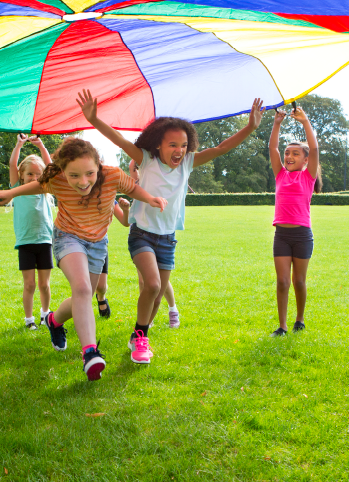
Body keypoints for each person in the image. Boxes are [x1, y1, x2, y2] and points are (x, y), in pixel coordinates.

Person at [78, 89, 263, 363]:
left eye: (184, 144)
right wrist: (94, 119)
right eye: (173, 144)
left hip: (167, 239)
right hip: (142, 234)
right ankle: (142, 336)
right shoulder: (146, 160)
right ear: (158, 146)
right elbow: (117, 138)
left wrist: (250, 127)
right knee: (151, 285)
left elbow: (222, 148)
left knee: (155, 297)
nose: (179, 150)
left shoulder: (187, 163)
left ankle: (139, 336)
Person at [0, 138, 166, 380]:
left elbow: (132, 189)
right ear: (63, 173)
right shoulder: (57, 180)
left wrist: (150, 199)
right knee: (81, 288)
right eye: (74, 176)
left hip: (97, 243)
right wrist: (10, 192)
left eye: (89, 173)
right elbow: (36, 186)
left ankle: (53, 321)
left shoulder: (112, 175)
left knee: (84, 296)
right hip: (67, 238)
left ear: (98, 166)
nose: (83, 182)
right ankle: (90, 353)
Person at [267, 106, 321, 336]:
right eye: (287, 153)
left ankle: (299, 319)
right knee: (282, 282)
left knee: (299, 281)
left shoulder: (308, 176)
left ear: (306, 160)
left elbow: (315, 147)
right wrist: (277, 123)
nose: (289, 156)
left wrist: (305, 122)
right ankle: (282, 325)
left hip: (301, 236)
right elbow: (272, 148)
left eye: (295, 153)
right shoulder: (280, 174)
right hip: (282, 236)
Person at [7, 133, 54, 330]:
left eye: (37, 174)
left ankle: (45, 315)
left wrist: (41, 145)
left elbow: (52, 167)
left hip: (45, 241)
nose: (34, 177)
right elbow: (12, 165)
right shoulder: (17, 189)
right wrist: (19, 145)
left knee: (44, 284)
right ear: (22, 175)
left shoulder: (45, 188)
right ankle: (29, 320)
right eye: (29, 174)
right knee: (29, 285)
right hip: (26, 243)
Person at [129, 160, 180, 329]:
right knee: (147, 282)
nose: (135, 173)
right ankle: (144, 323)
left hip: (163, 234)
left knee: (158, 283)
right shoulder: (136, 185)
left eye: (136, 169)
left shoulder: (155, 176)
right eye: (133, 170)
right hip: (142, 234)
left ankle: (172, 309)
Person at [95, 197, 131, 319]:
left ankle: (101, 297)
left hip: (100, 244)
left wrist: (125, 210)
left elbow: (126, 222)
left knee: (101, 287)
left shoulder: (108, 196)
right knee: (83, 286)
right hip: (78, 245)